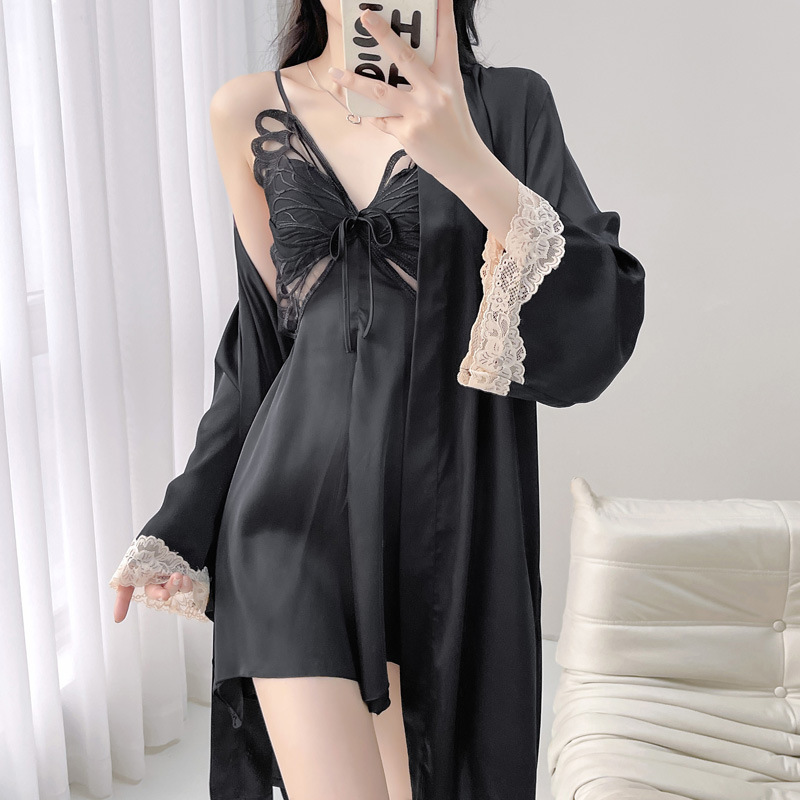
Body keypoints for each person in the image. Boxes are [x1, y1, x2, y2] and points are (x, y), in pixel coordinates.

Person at [109, 0, 647, 798]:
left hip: (450, 524)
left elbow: (596, 324)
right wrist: (180, 519)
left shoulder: (510, 104)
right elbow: (261, 348)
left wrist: (464, 157)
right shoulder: (245, 108)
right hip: (286, 520)